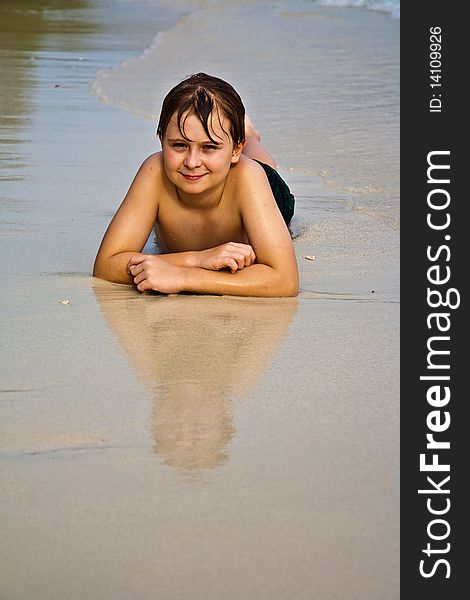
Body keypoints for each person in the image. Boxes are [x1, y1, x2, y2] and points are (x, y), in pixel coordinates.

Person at [93, 73, 298, 297]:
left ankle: (251, 137)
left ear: (235, 150)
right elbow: (106, 265)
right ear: (161, 139)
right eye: (179, 145)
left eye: (209, 147)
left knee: (260, 163)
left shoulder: (249, 177)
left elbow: (284, 281)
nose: (192, 162)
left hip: (259, 186)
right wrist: (198, 259)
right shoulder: (155, 171)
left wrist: (183, 277)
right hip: (226, 169)